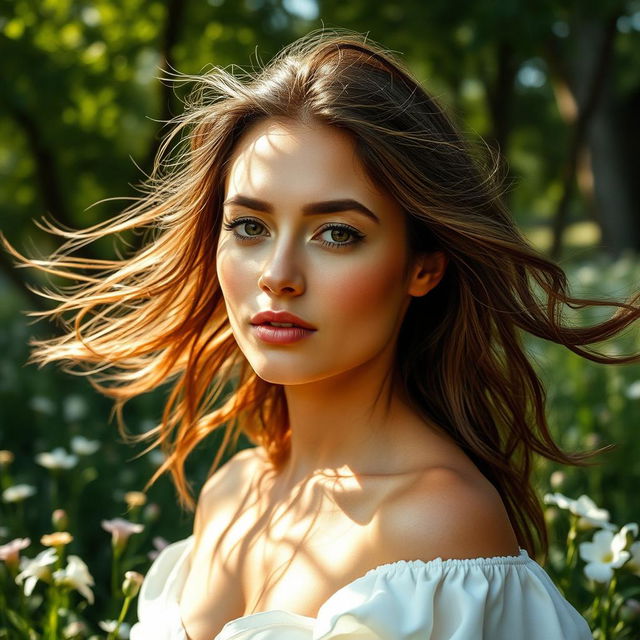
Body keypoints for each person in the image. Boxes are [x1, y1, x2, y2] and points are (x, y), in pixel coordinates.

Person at [2, 28, 639, 640]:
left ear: (423, 266)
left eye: (338, 233)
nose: (278, 277)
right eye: (249, 226)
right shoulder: (230, 490)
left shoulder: (435, 529)